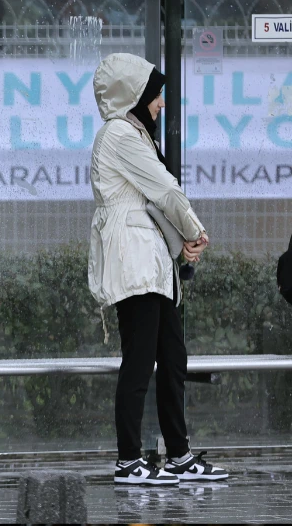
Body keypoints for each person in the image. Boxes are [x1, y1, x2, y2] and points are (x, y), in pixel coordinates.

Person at [89, 53, 228, 485]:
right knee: (141, 359)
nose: (161, 103)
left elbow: (152, 197)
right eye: (156, 94)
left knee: (170, 356)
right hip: (134, 261)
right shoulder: (120, 135)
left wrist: (182, 239)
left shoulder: (132, 133)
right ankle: (129, 459)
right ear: (134, 95)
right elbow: (164, 189)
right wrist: (196, 231)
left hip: (148, 260)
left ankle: (180, 455)